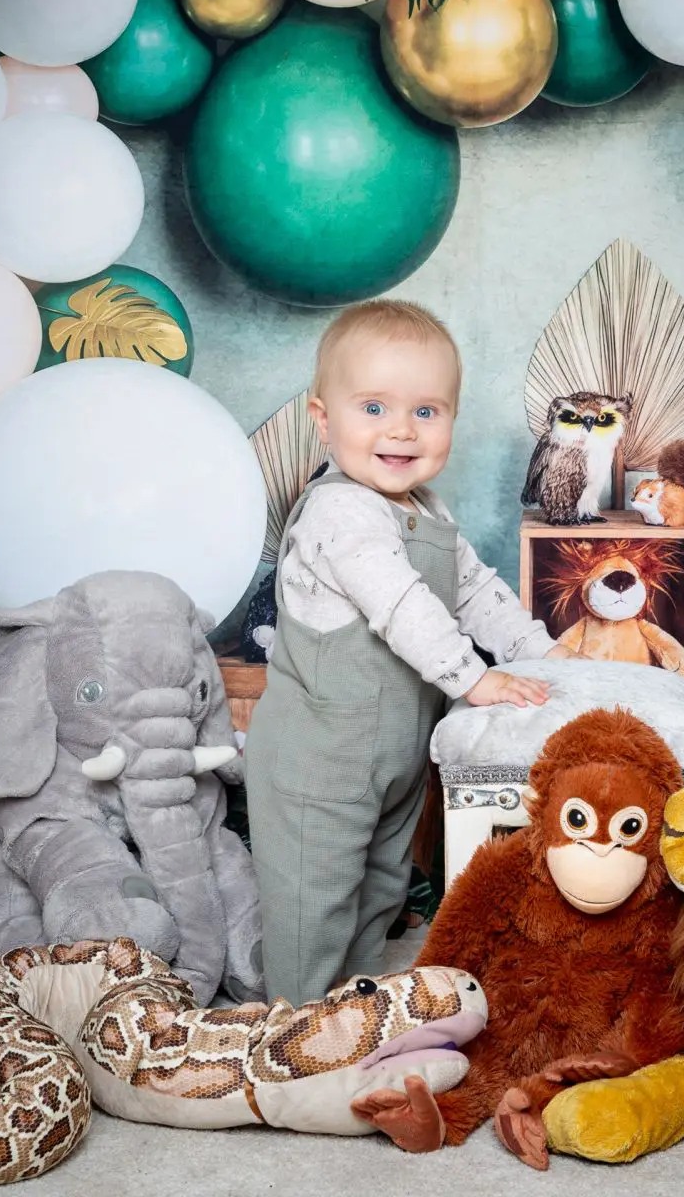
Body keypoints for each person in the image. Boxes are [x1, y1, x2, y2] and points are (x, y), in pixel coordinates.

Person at [245, 299, 574, 1006]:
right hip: (319, 757)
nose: (400, 429)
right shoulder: (339, 512)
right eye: (373, 408)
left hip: (395, 754)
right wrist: (473, 677)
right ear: (323, 420)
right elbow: (401, 604)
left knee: (382, 882)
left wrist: (541, 655)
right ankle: (293, 1021)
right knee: (316, 890)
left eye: (427, 411)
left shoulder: (430, 511)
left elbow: (473, 590)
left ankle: (353, 1004)